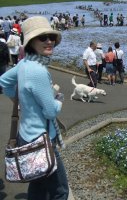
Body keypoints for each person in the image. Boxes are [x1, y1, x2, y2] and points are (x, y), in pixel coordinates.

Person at [0, 16, 69, 199]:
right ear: (31, 42)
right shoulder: (38, 71)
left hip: (26, 135)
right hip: (41, 140)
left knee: (38, 186)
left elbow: (4, 81)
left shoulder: (24, 63)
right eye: (43, 37)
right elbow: (51, 111)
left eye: (51, 37)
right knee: (60, 191)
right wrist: (59, 98)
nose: (49, 41)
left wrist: (19, 102)